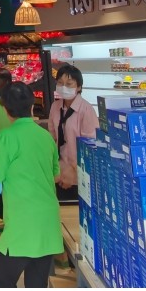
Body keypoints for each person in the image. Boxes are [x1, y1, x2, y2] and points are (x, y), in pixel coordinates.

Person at [0, 82, 62, 288]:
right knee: (37, 284)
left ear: (5, 110)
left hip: (21, 223)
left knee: (2, 283)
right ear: (32, 106)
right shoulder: (45, 136)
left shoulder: (7, 137)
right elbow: (56, 176)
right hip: (47, 222)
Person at [46, 63, 99, 203]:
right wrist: (57, 169)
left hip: (80, 175)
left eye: (69, 84)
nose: (64, 87)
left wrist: (73, 171)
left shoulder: (86, 110)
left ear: (79, 87)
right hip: (59, 173)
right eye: (60, 83)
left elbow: (90, 147)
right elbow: (52, 139)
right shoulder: (55, 107)